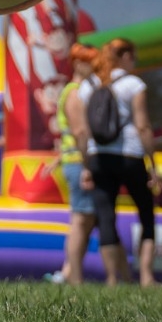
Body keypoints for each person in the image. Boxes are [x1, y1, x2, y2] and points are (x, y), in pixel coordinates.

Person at [82, 38, 160, 286]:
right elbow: (143, 125)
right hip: (130, 154)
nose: (134, 62)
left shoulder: (89, 85)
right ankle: (146, 276)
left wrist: (86, 164)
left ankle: (112, 278)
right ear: (125, 56)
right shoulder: (133, 84)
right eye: (133, 57)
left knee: (105, 216)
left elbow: (84, 130)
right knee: (146, 212)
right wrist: (153, 162)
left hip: (98, 156)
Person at [51, 44, 101, 285]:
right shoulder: (74, 92)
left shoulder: (78, 90)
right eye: (90, 62)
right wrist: (88, 165)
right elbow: (80, 131)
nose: (95, 67)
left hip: (74, 160)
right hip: (79, 162)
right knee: (80, 220)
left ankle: (69, 271)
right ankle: (72, 275)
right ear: (78, 63)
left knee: (85, 219)